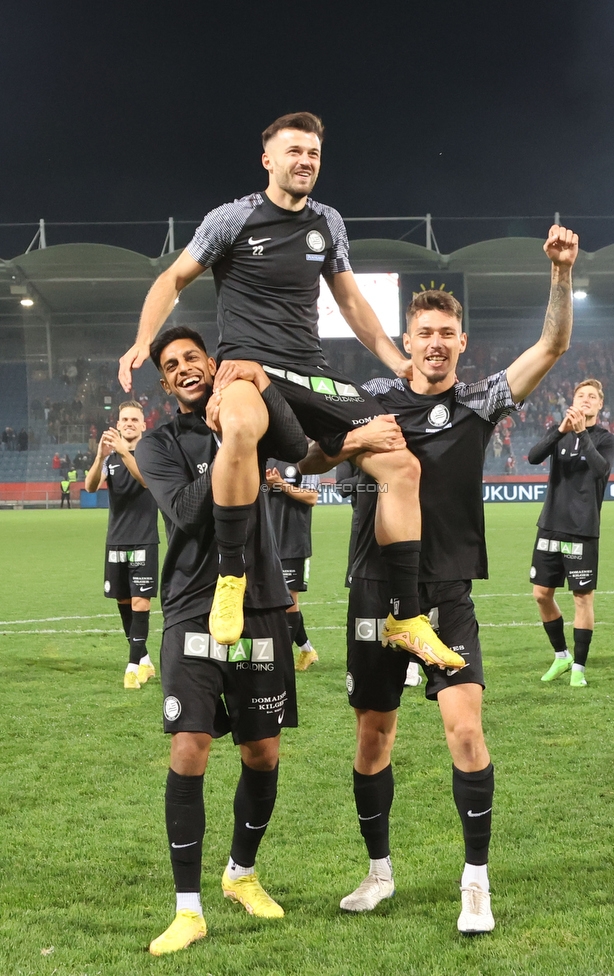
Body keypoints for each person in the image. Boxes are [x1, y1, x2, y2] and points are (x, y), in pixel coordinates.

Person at [300, 224, 578, 932]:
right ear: (409, 338)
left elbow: (551, 348)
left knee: (465, 733)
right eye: (423, 331)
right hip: (374, 591)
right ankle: (378, 872)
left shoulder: (481, 402)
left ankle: (475, 883)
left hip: (448, 592)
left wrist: (559, 274)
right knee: (373, 740)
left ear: (460, 342)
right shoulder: (372, 396)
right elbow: (308, 458)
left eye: (446, 333)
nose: (434, 342)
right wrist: (351, 441)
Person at [118, 110, 464, 675]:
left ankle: (405, 614)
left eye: (314, 154)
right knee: (242, 425)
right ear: (269, 160)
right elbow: (171, 280)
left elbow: (351, 303)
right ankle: (232, 575)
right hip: (245, 370)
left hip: (309, 372)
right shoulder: (230, 219)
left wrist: (397, 358)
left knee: (400, 460)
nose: (306, 161)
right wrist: (141, 341)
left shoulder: (327, 223)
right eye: (295, 152)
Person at [135, 325, 306, 956]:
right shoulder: (158, 444)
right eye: (171, 364)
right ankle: (187, 910)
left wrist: (255, 392)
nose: (183, 368)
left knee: (263, 754)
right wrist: (232, 450)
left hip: (260, 601)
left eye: (191, 358)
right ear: (164, 381)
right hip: (190, 606)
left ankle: (241, 873)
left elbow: (298, 443)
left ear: (211, 363)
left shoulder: (247, 412)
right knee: (190, 748)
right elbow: (181, 509)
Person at [529, 378, 614, 687]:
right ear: (572, 400)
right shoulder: (560, 433)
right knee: (541, 595)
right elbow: (533, 456)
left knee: (582, 598)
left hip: (581, 531)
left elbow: (600, 469)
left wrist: (581, 432)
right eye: (581, 395)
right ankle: (561, 655)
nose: (586, 400)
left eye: (592, 396)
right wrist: (561, 430)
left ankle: (578, 667)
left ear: (600, 404)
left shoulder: (606, 439)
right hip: (550, 525)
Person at [84, 400, 159, 689]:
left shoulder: (150, 454)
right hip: (115, 540)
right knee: (124, 602)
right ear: (117, 424)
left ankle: (132, 667)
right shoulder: (110, 458)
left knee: (141, 602)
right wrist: (100, 456)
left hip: (144, 540)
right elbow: (91, 487)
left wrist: (123, 451)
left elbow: (144, 480)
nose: (128, 423)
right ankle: (146, 662)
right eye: (124, 419)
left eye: (134, 419)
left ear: (143, 425)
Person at [265, 458, 320, 670]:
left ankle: (280, 659)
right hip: (266, 539)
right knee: (275, 599)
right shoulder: (265, 455)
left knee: (288, 600)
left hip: (293, 539)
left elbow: (311, 496)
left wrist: (281, 484)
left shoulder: (305, 459)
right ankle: (307, 650)